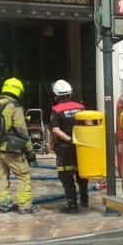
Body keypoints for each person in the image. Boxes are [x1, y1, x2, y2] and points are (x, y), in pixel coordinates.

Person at [0, 77, 38, 214]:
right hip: (12, 150)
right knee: (23, 176)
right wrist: (30, 150)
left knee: (1, 176)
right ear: (18, 91)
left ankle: (5, 204)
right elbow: (22, 131)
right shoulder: (15, 107)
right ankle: (25, 206)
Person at [49, 79, 89, 213]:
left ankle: (72, 205)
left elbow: (55, 130)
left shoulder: (56, 109)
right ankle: (84, 199)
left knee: (66, 176)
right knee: (81, 173)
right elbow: (88, 125)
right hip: (81, 147)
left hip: (65, 148)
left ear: (56, 95)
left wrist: (69, 139)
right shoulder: (81, 107)